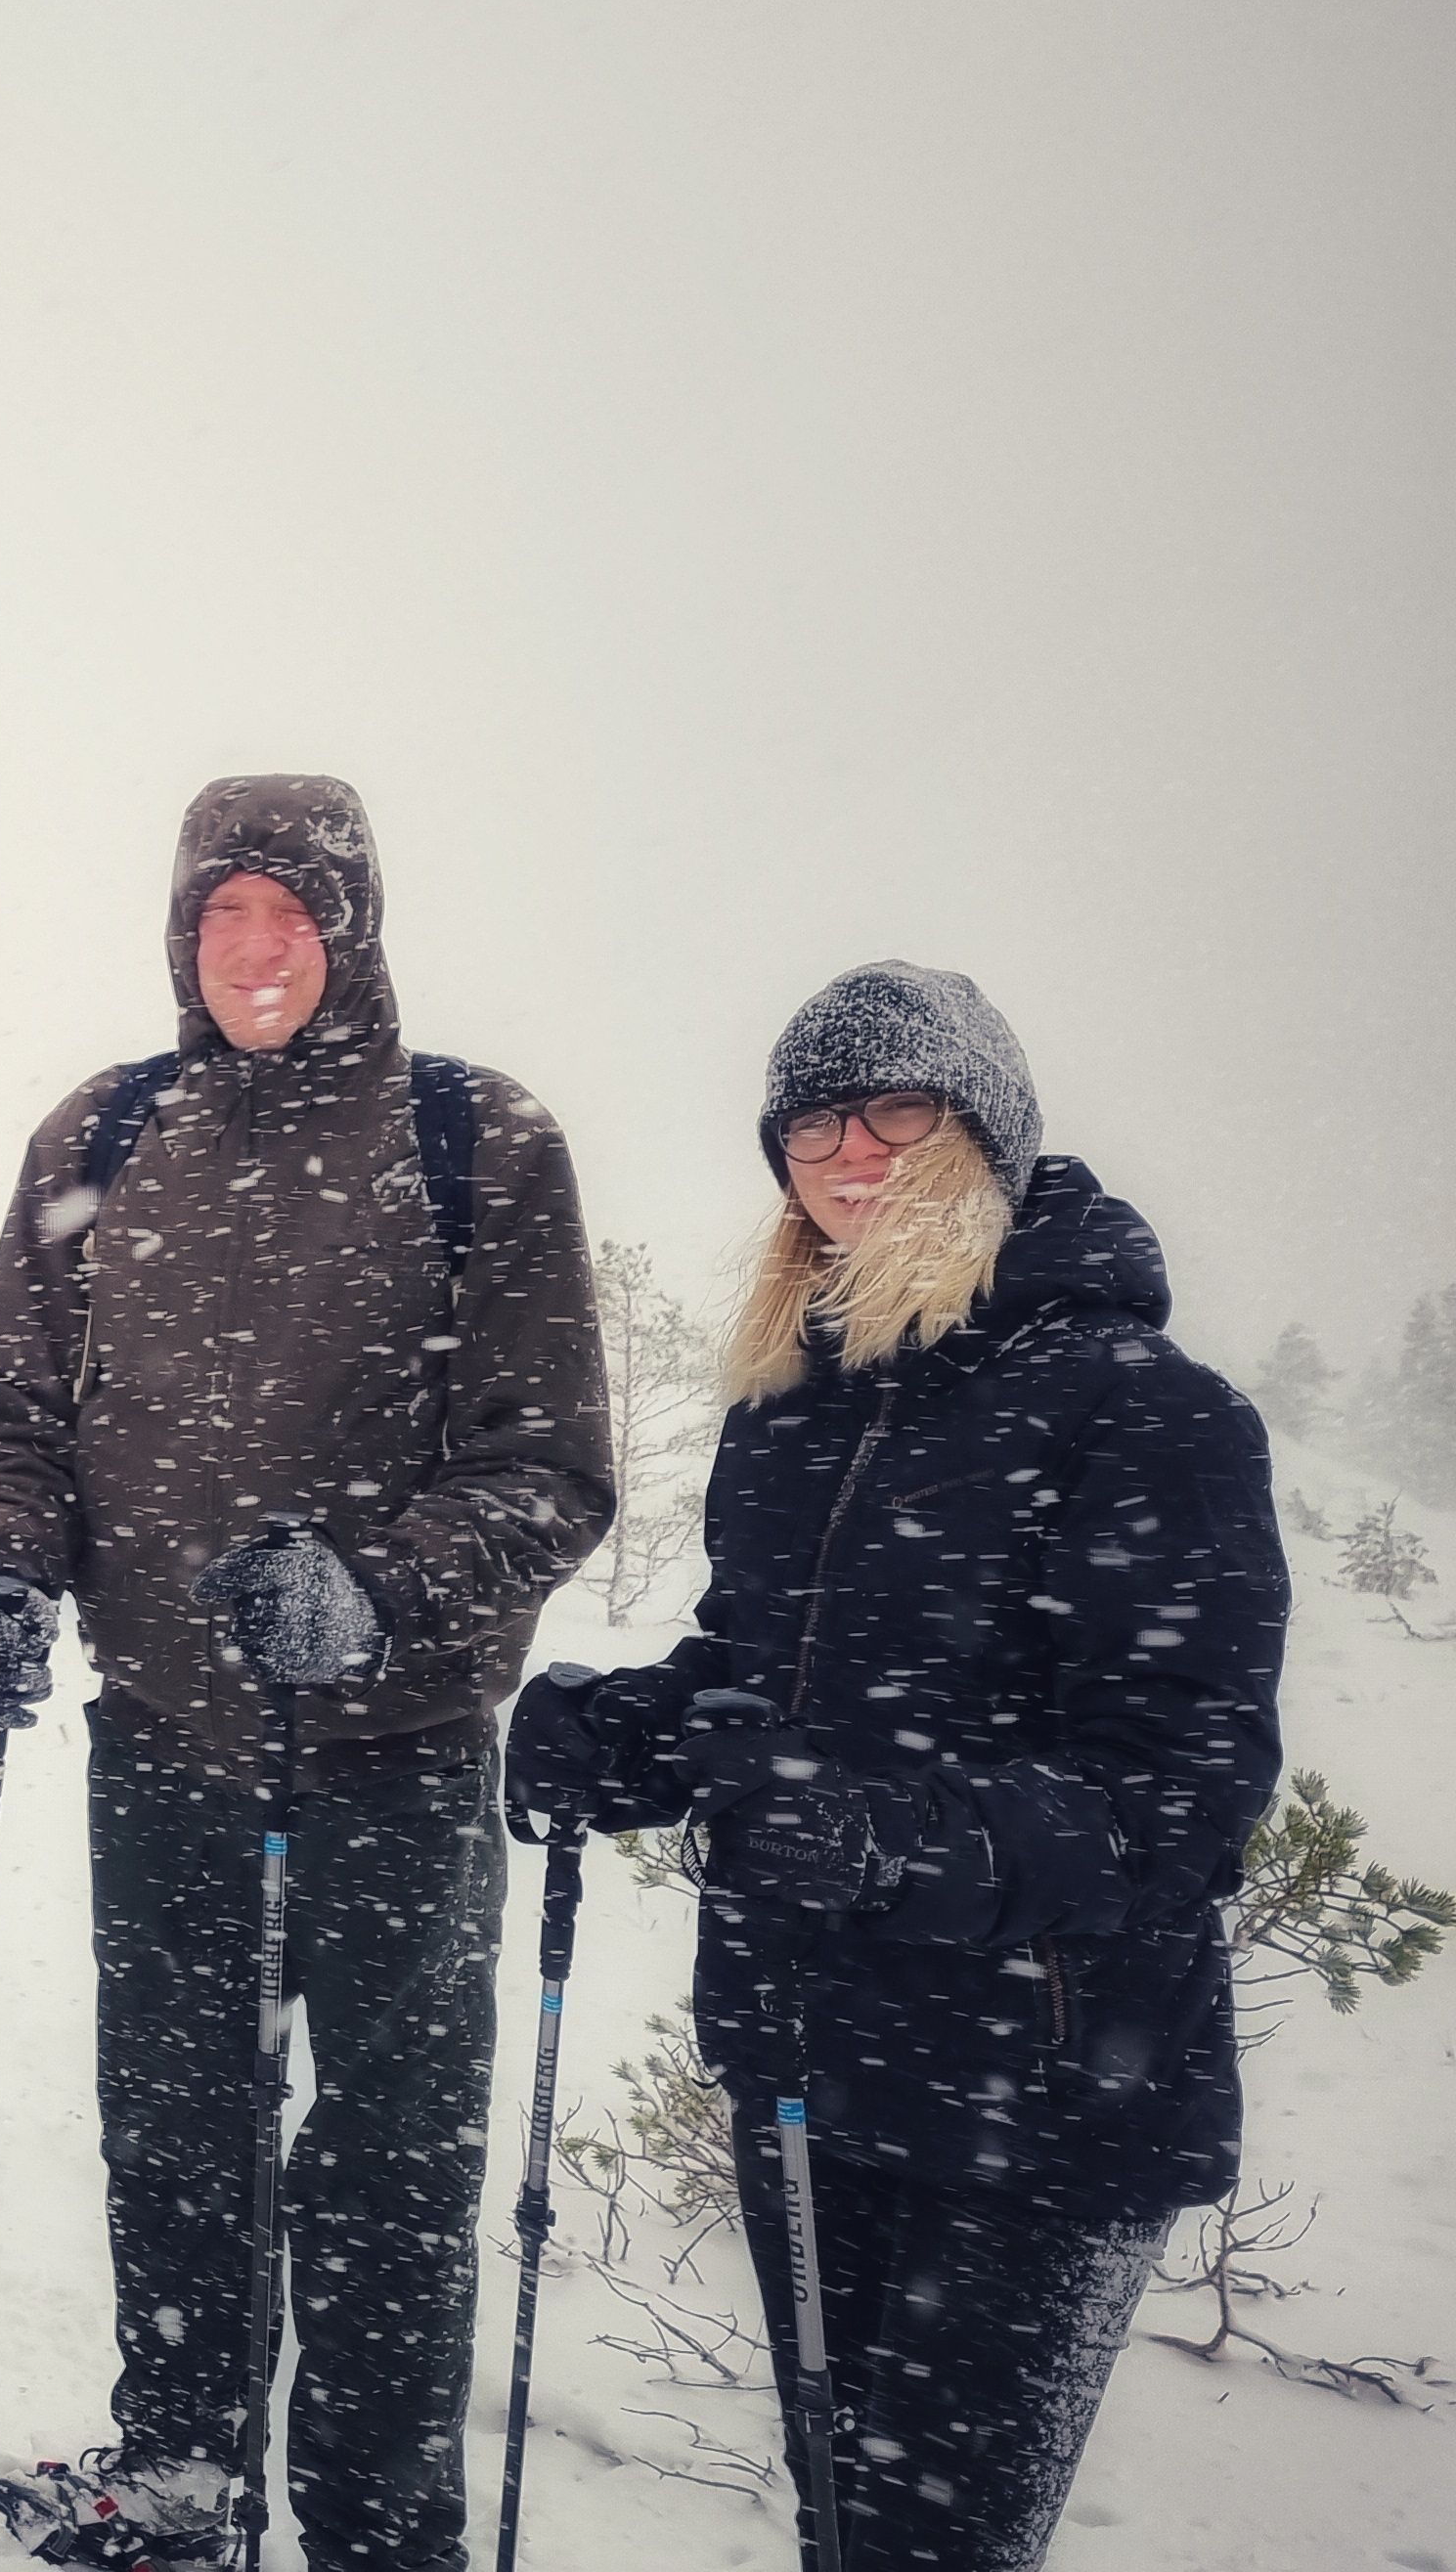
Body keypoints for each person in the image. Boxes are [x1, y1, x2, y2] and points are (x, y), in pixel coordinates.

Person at [505, 965, 1284, 2572]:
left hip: (1044, 2098)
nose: (849, 1151)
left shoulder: (1140, 1408)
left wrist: (906, 1842)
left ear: (984, 1130)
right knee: (842, 2523)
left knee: (935, 2549)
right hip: (813, 2053)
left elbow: (1186, 1791)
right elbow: (754, 1678)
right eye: (811, 1124)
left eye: (894, 1108)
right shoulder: (795, 1405)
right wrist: (631, 1738)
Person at [0, 775, 613, 2572]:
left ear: (354, 928)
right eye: (222, 915)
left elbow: (549, 1468)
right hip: (164, 1738)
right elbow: (23, 1414)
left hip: (399, 1753)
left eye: (292, 913)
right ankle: (184, 2467)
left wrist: (374, 1589)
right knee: (175, 2132)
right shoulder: (104, 1129)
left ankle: (379, 2530)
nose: (256, 948)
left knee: (392, 2168)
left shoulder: (474, 1135)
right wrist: (8, 1567)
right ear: (182, 937)